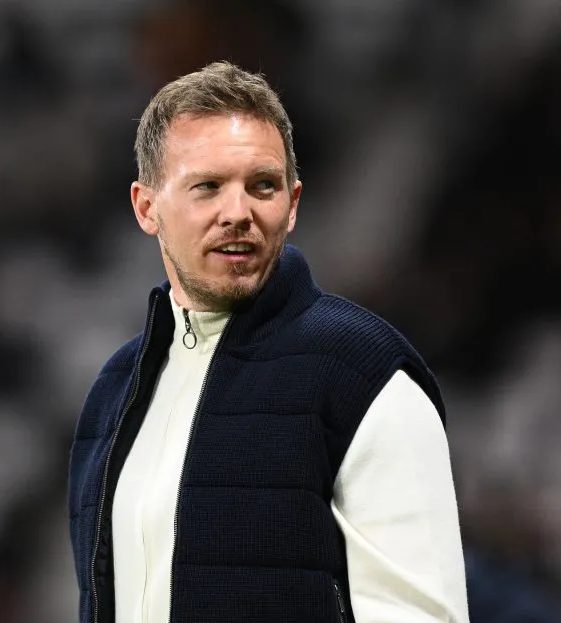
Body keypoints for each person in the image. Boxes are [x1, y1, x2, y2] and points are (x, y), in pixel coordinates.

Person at [67, 61, 469, 623]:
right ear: (146, 207)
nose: (238, 213)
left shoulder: (365, 374)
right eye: (207, 186)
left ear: (294, 202)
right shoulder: (113, 392)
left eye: (262, 185)